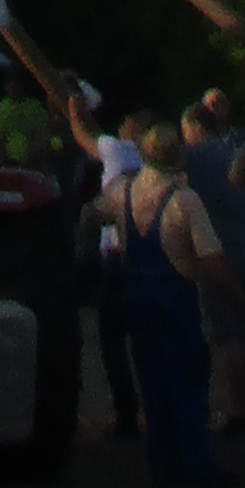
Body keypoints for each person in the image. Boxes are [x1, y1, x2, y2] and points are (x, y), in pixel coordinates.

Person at [115, 119, 233, 488]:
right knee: (188, 382)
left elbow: (92, 211)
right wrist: (238, 296)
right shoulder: (184, 200)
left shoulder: (125, 191)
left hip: (136, 295)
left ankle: (162, 468)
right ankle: (196, 467)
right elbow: (212, 259)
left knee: (151, 384)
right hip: (174, 299)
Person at [181, 90, 245, 440]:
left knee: (228, 336)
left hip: (221, 254)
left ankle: (238, 411)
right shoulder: (236, 152)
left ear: (193, 127)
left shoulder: (194, 157)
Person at [63, 81, 140, 437]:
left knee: (111, 339)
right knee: (146, 338)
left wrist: (73, 107)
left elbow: (83, 136)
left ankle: (126, 416)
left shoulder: (115, 148)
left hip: (115, 257)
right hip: (152, 256)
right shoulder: (157, 160)